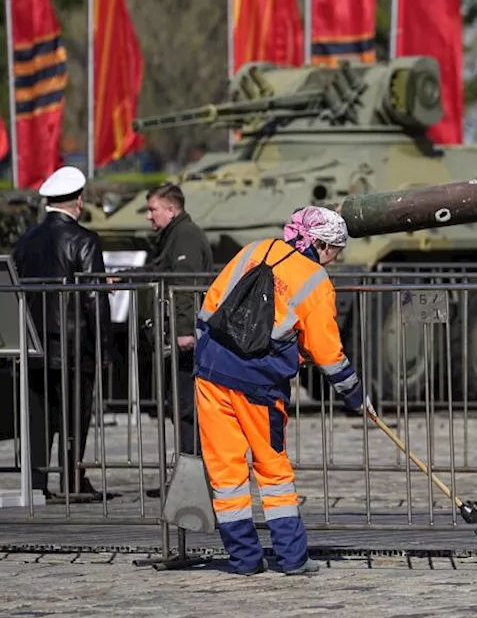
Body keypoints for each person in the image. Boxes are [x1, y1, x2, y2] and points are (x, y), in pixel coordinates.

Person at [193, 206, 368, 576]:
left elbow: (211, 304)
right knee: (273, 472)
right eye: (336, 249)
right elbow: (328, 353)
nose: (336, 258)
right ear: (320, 244)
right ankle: (292, 558)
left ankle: (243, 560)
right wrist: (355, 395)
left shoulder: (255, 249)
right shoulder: (315, 281)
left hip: (211, 372)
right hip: (259, 384)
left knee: (226, 475)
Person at [12, 166, 117, 501]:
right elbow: (93, 298)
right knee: (75, 415)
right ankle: (72, 479)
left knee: (39, 417)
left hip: (33, 343)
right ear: (79, 201)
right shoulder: (84, 240)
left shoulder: (25, 241)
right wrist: (103, 349)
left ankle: (38, 483)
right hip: (74, 346)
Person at [136, 183, 212, 497]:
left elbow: (186, 286)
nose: (149, 217)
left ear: (171, 208)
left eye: (153, 209)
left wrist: (183, 330)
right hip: (176, 340)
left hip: (186, 342)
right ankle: (187, 476)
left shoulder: (186, 237)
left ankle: (193, 481)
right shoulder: (174, 236)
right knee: (179, 409)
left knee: (187, 411)